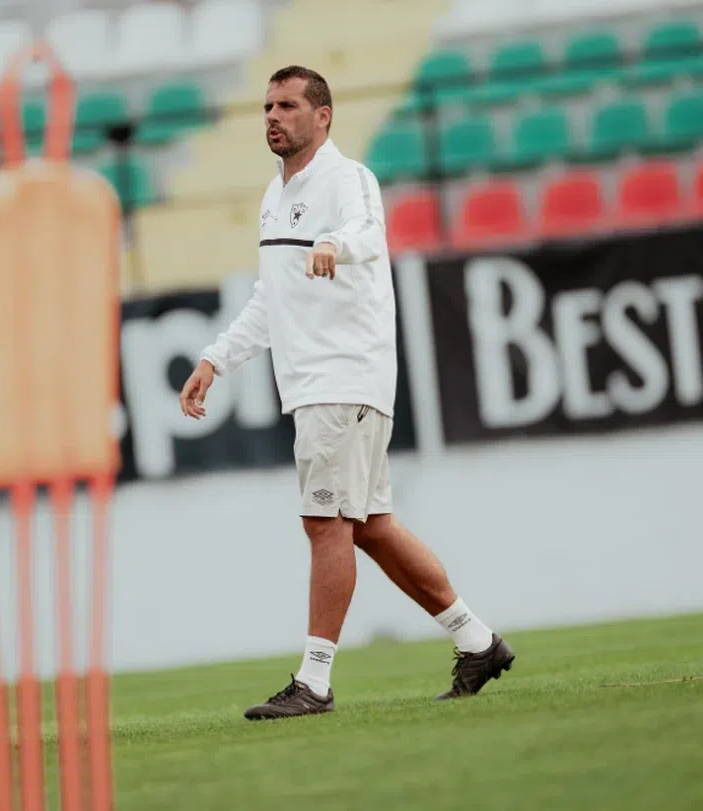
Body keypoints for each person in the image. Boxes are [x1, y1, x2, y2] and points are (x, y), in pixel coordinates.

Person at [179, 65, 514, 720]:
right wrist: (216, 358)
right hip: (314, 382)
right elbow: (269, 299)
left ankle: (316, 681)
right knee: (370, 526)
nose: (272, 116)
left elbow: (367, 235)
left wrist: (334, 241)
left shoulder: (348, 178)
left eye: (287, 105)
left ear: (322, 116)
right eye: (267, 106)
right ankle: (479, 642)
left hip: (344, 373)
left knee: (323, 521)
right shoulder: (274, 198)